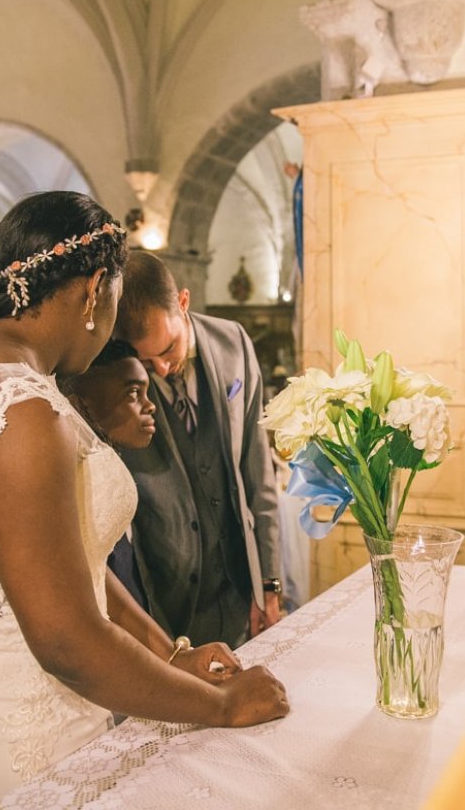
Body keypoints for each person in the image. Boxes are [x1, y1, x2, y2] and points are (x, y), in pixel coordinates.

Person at [0, 191, 288, 810]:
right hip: (16, 722)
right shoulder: (16, 407)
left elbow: (69, 558)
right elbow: (65, 640)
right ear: (95, 288)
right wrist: (220, 704)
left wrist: (172, 656)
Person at [113, 251, 283, 649]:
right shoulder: (114, 373)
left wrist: (269, 586)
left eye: (167, 349)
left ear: (184, 302)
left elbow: (259, 475)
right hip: (167, 606)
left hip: (242, 595)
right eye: (145, 359)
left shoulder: (234, 343)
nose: (160, 370)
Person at [62, 338, 156, 610]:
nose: (150, 406)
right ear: (82, 405)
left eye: (146, 392)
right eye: (132, 394)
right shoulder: (77, 483)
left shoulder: (113, 468)